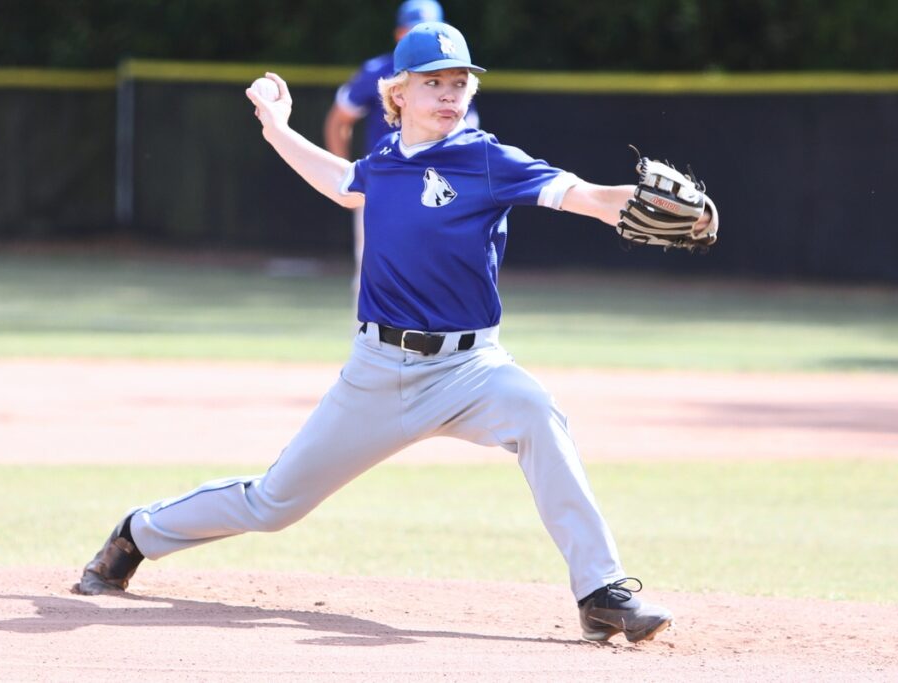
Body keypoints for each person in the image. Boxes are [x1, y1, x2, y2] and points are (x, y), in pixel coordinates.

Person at [75, 21, 715, 644]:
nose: (449, 95)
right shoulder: (383, 160)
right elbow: (342, 183)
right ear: (398, 92)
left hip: (470, 371)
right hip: (377, 372)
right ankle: (138, 533)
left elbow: (583, 195)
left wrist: (638, 199)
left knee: (538, 414)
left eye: (460, 82)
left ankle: (601, 593)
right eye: (434, 82)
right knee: (275, 503)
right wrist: (277, 129)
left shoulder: (487, 159)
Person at [324, 0, 478, 300]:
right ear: (399, 34)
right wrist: (344, 174)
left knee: (435, 270)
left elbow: (467, 136)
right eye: (413, 30)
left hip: (435, 187)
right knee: (372, 273)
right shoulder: (378, 72)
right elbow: (339, 119)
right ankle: (370, 343)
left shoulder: (451, 80)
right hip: (383, 182)